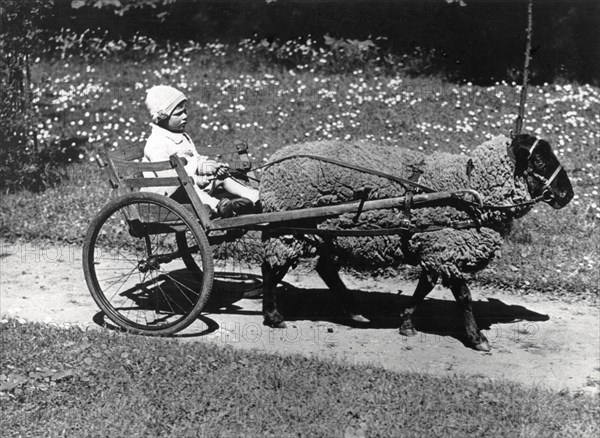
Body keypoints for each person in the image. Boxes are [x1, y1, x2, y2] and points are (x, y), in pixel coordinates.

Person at [141, 85, 259, 218]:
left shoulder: (183, 137)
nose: (185, 116)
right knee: (187, 185)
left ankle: (253, 197)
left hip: (192, 185)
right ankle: (218, 205)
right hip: (170, 193)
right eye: (178, 114)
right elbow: (168, 178)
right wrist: (197, 180)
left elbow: (196, 160)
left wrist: (212, 168)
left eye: (185, 111)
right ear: (163, 117)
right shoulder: (157, 143)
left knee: (222, 177)